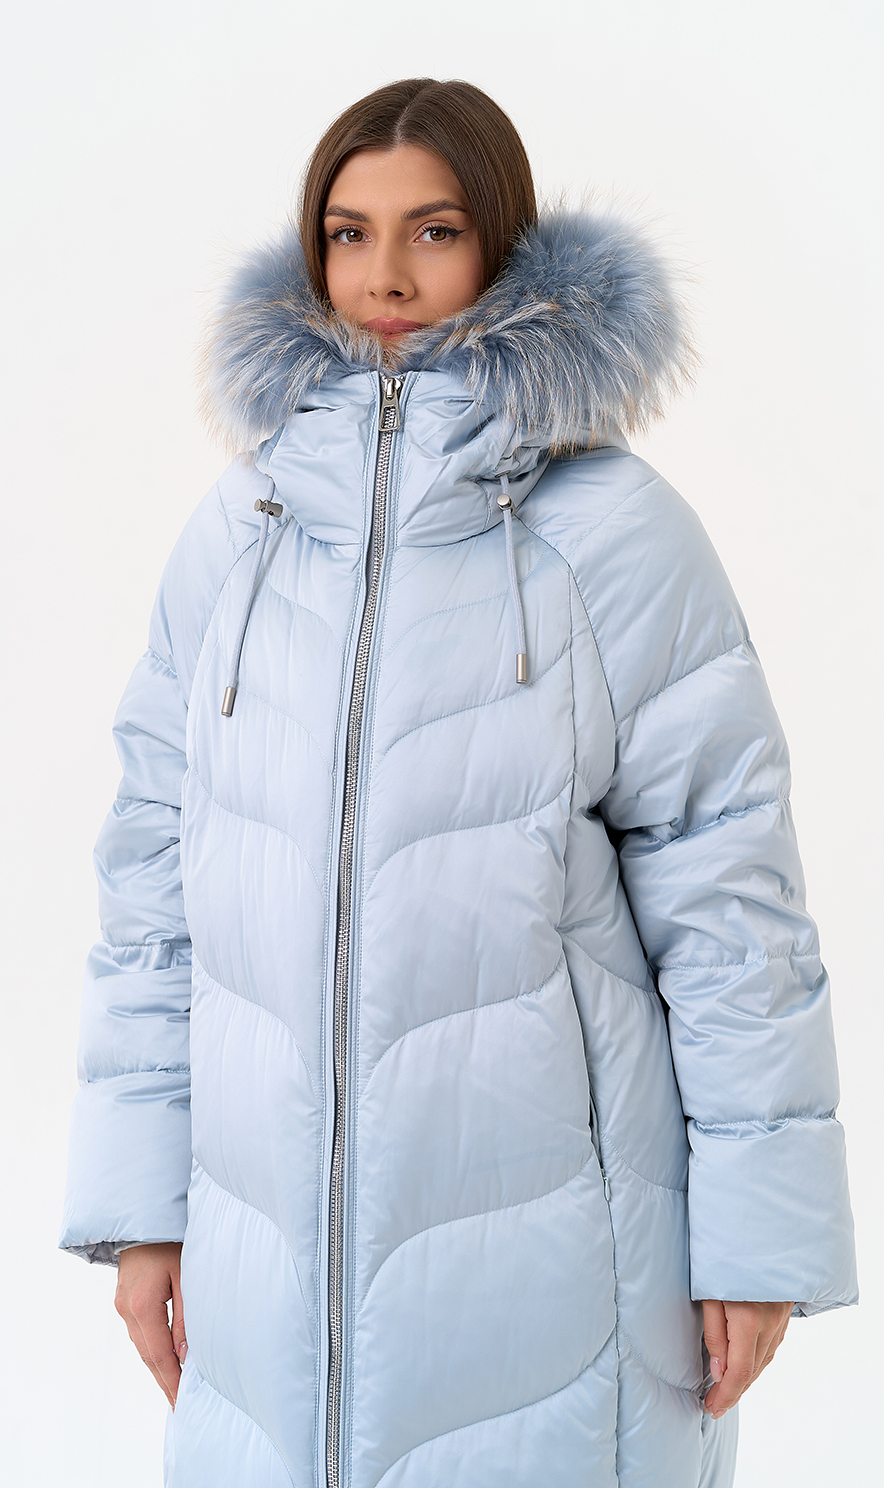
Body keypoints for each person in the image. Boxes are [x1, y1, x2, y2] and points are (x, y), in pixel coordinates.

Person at [60, 78, 857, 1488]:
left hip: (558, 1268)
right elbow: (152, 896)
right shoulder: (237, 536)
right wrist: (140, 1208)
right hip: (267, 1273)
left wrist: (757, 1239)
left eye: (432, 231)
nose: (385, 276)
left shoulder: (612, 534)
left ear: (502, 243)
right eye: (348, 231)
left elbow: (732, 902)